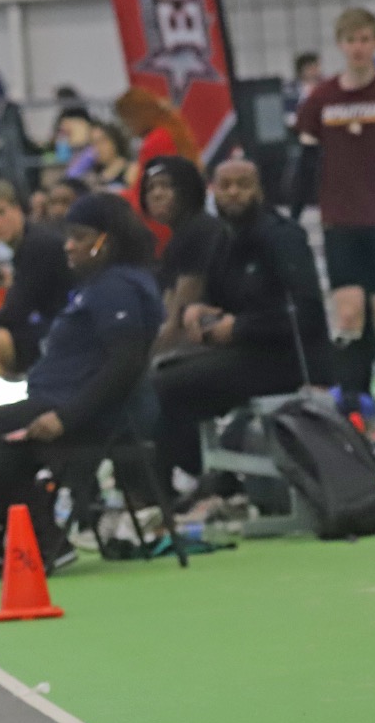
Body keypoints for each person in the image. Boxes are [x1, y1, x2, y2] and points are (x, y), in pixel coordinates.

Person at [0, 193, 161, 569]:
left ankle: (33, 539)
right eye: (68, 235)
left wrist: (66, 418)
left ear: (108, 240)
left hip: (101, 416)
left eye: (80, 237)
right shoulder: (97, 285)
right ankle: (40, 536)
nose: (68, 245)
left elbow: (125, 364)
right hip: (63, 402)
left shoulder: (117, 287)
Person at [154, 159, 332, 488]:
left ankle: (198, 482)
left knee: (165, 387)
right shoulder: (224, 239)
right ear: (213, 190)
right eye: (225, 185)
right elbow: (223, 302)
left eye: (243, 184)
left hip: (289, 360)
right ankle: (204, 477)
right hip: (245, 354)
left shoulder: (282, 237)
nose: (234, 192)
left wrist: (238, 328)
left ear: (259, 190)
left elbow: (306, 315)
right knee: (158, 378)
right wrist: (199, 311)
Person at [294, 7, 375, 412]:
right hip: (340, 223)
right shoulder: (321, 100)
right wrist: (298, 213)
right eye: (351, 40)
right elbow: (303, 161)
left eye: (365, 39)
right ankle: (352, 405)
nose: (358, 47)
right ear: (340, 44)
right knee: (348, 315)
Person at [0, 178, 70, 378]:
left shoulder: (36, 245)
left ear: (17, 209)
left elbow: (15, 312)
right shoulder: (28, 242)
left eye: (1, 212)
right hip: (51, 325)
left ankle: (1, 405)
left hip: (62, 333)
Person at [143, 155, 222, 357]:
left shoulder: (199, 231)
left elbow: (177, 321)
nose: (157, 194)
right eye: (150, 188)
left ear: (188, 190)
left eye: (166, 186)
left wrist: (146, 361)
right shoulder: (179, 238)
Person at [86, 121, 131, 191]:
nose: (97, 148)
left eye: (102, 141)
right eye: (92, 143)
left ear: (115, 142)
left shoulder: (131, 170)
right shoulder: (92, 174)